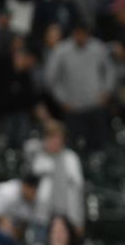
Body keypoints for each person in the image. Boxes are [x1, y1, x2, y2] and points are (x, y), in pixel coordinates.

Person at [43, 22, 115, 152]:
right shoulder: (61, 51)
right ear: (73, 33)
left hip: (95, 105)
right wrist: (62, 99)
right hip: (73, 109)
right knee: (75, 148)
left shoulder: (98, 47)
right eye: (78, 33)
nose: (80, 37)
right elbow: (51, 78)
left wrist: (106, 92)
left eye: (83, 33)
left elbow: (109, 70)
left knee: (100, 145)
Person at [29, 120, 85, 232]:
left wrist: (80, 221)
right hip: (42, 219)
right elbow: (29, 147)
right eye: (51, 137)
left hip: (68, 219)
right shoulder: (38, 159)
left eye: (58, 138)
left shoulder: (71, 158)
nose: (55, 141)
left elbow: (78, 191)